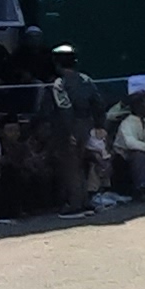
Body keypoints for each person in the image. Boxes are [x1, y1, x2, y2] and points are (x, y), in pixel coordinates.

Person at [37, 45, 102, 215]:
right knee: (79, 164)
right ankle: (84, 200)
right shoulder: (86, 79)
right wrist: (99, 125)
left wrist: (69, 132)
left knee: (70, 166)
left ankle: (74, 204)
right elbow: (98, 103)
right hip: (86, 124)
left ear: (56, 63)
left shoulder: (59, 84)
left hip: (68, 127)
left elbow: (64, 108)